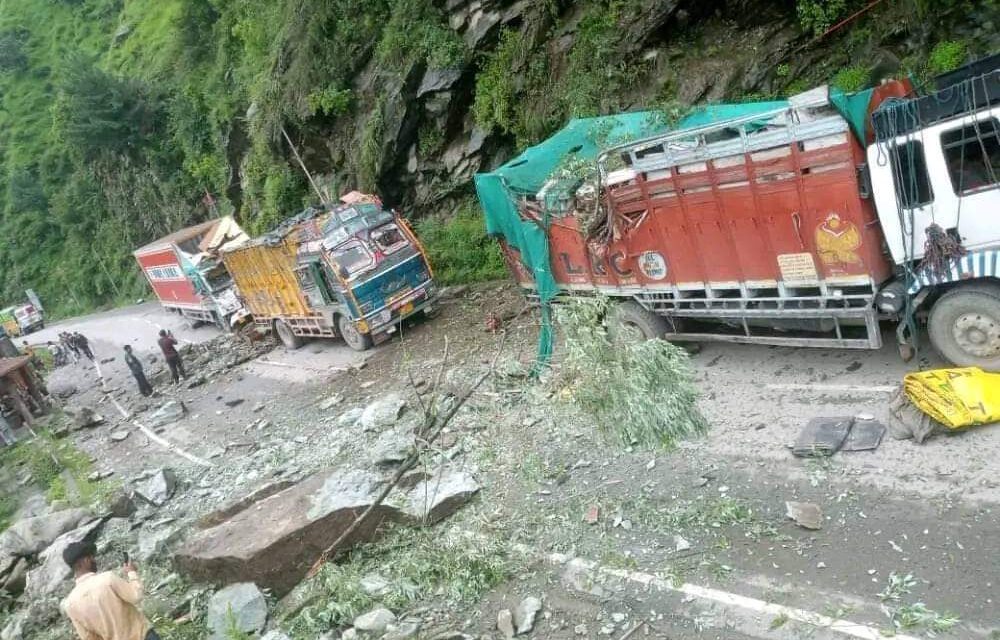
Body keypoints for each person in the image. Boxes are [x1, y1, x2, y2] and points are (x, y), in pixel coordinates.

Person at [61, 540, 160, 640]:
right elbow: (136, 596)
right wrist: (132, 572)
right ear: (86, 560)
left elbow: (88, 637)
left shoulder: (70, 604)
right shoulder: (107, 579)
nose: (94, 560)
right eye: (92, 557)